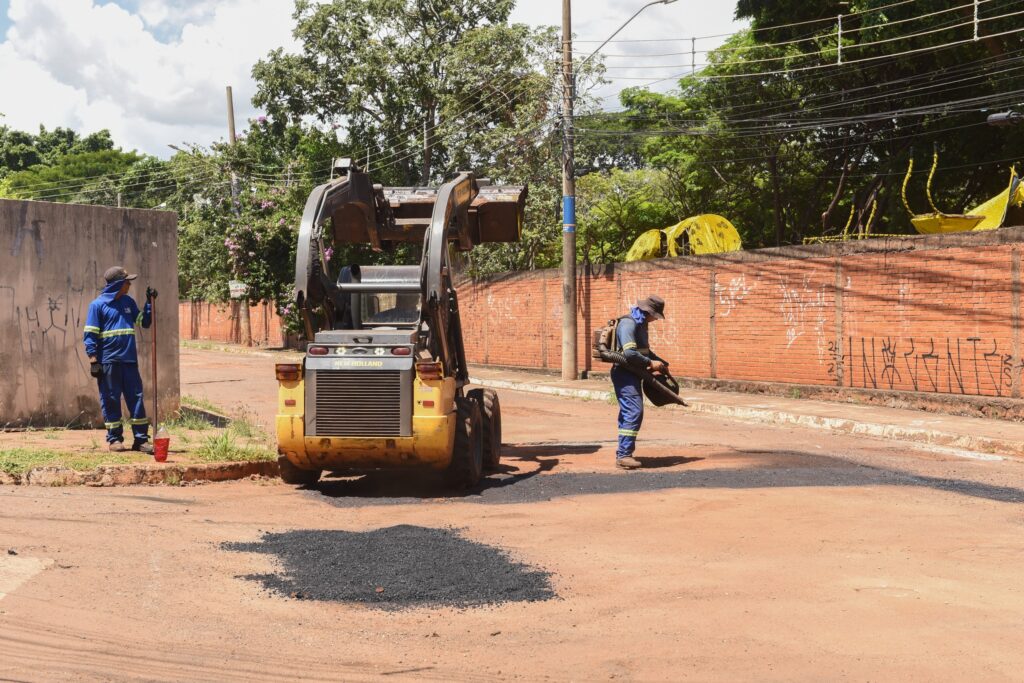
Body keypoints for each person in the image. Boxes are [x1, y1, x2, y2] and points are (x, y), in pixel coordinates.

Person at [83, 266, 158, 453]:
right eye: (127, 281)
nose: (130, 284)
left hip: (129, 361)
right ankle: (115, 439)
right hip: (108, 362)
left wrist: (149, 303)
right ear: (118, 284)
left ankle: (141, 440)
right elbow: (90, 334)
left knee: (137, 399)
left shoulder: (128, 302)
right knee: (110, 399)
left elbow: (144, 322)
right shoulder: (97, 305)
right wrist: (93, 360)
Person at [611, 295, 668, 470]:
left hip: (634, 373)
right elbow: (629, 354)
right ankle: (624, 455)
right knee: (634, 410)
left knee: (630, 411)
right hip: (624, 374)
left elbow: (645, 351)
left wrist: (660, 362)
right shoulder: (629, 324)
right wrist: (650, 363)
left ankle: (623, 451)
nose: (654, 320)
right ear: (647, 312)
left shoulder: (641, 324)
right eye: (654, 316)